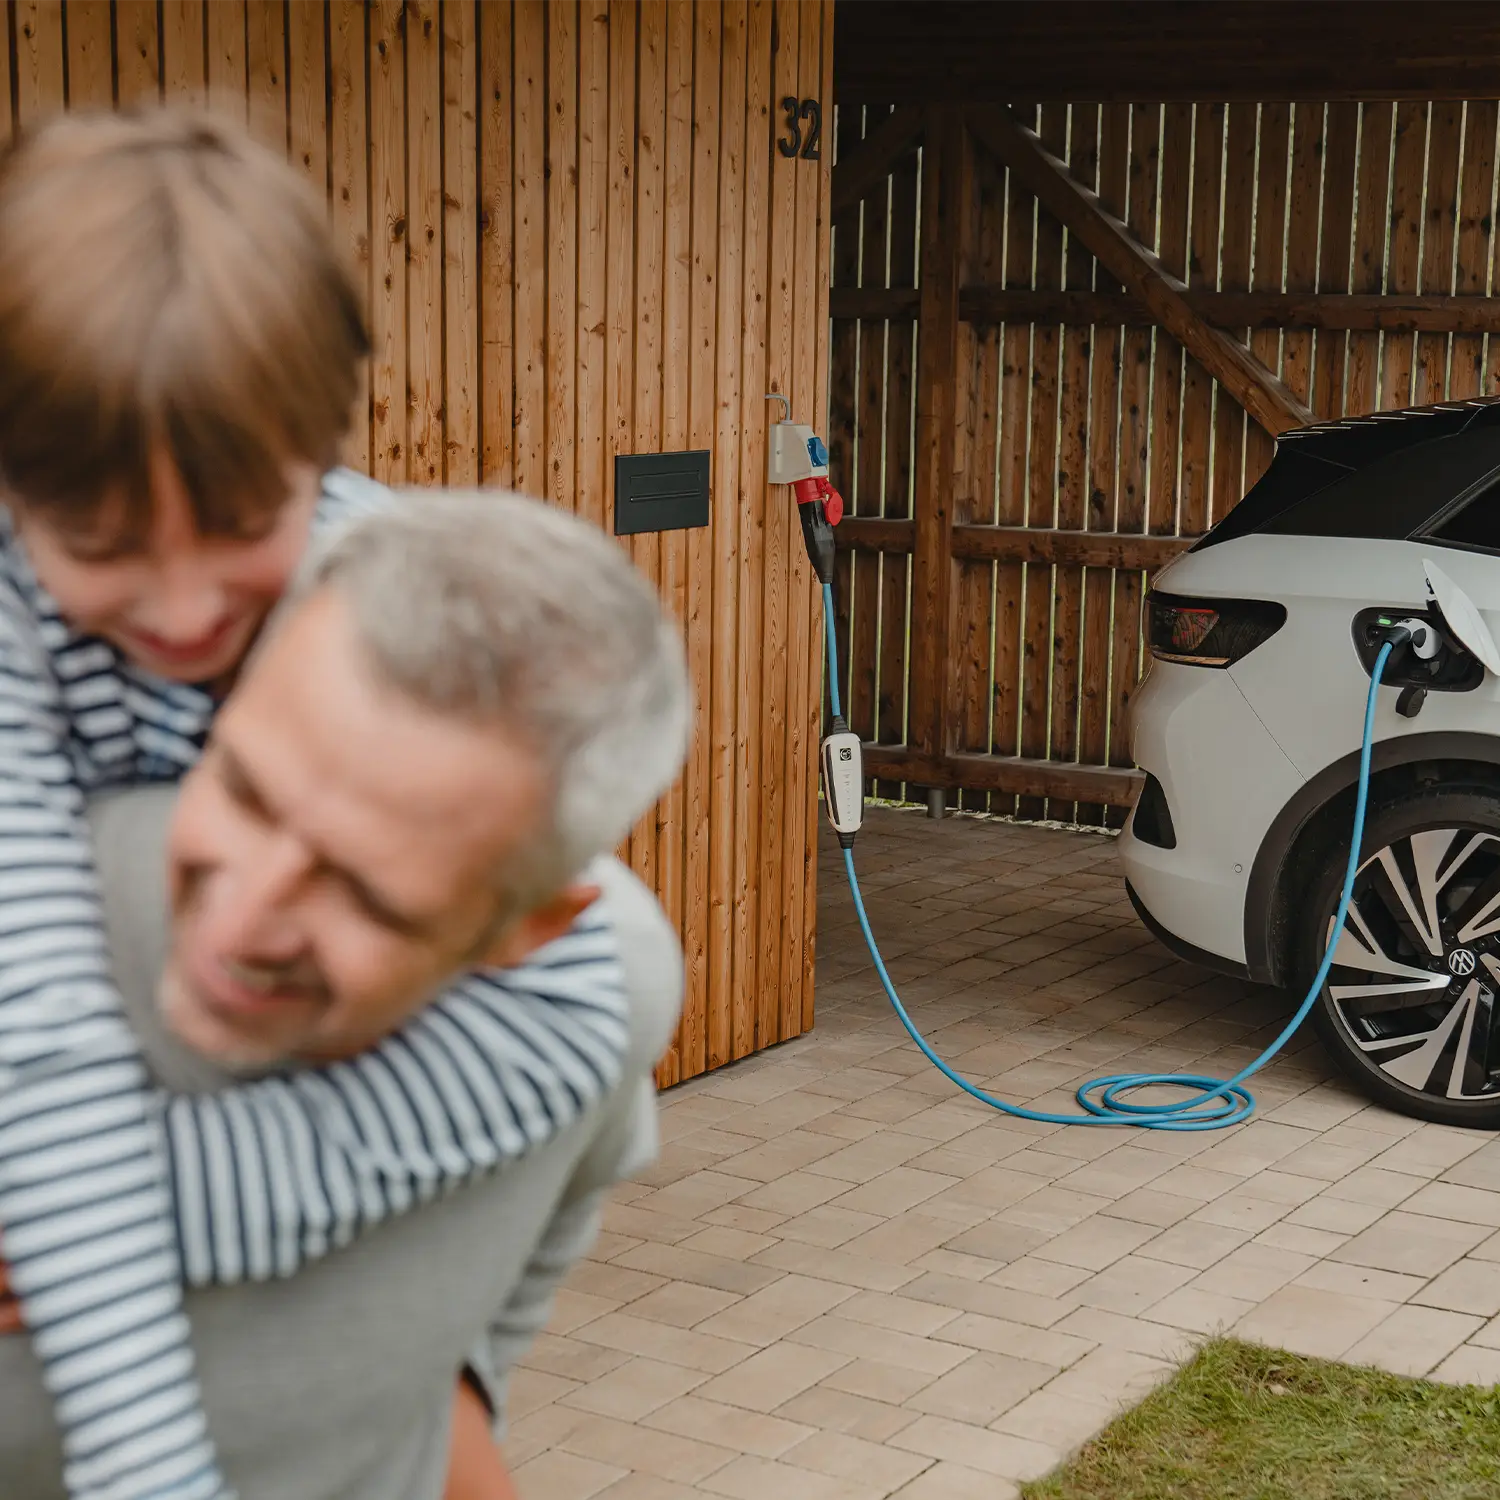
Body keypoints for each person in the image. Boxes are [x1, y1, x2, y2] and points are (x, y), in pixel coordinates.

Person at [0, 109, 651, 1500]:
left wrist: (107, 1212)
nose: (180, 609)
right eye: (100, 550)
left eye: (242, 528)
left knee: (623, 997)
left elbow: (573, 995)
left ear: (323, 452)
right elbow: (40, 1034)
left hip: (264, 1250)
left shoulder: (368, 581)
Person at [0, 489, 689, 1499]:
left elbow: (434, 1378)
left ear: (523, 932)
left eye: (365, 892)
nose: (242, 927)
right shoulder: (59, 902)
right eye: (242, 788)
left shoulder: (603, 999)